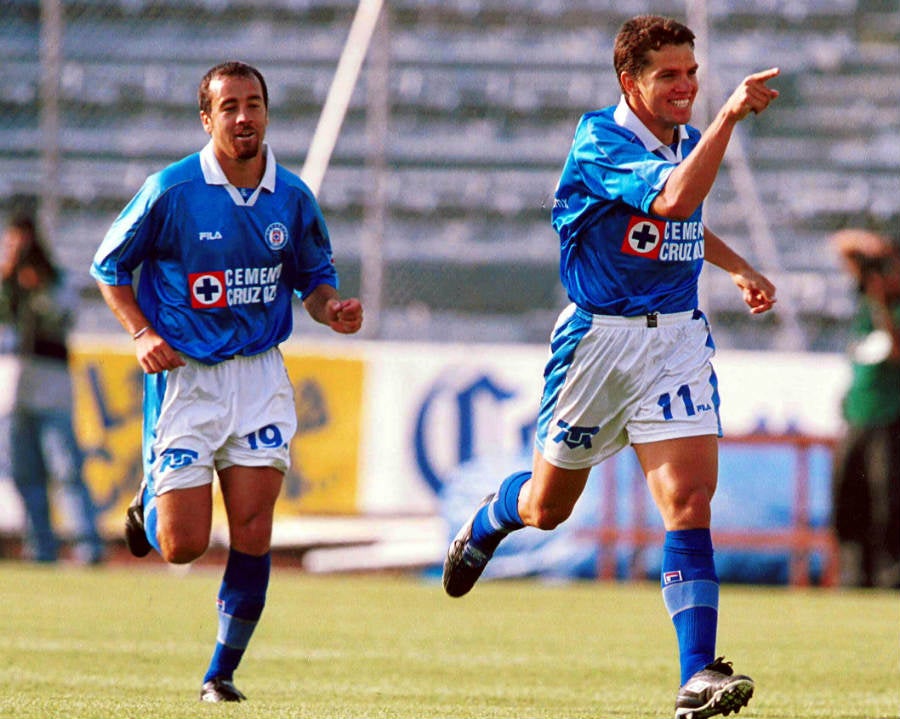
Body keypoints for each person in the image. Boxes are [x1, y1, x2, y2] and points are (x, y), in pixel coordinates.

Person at [442, 15, 779, 719]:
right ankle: (488, 521)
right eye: (670, 76)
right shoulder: (599, 141)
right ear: (631, 82)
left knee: (688, 501)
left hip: (677, 339)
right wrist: (727, 116)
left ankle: (696, 676)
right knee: (547, 508)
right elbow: (673, 199)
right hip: (597, 344)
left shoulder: (684, 141)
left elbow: (681, 222)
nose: (686, 86)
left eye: (692, 73)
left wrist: (737, 265)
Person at [90, 61, 363, 702]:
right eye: (230, 107)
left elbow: (313, 280)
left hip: (261, 377)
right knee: (182, 546)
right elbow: (109, 267)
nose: (244, 118)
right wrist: (141, 332)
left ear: (267, 112)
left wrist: (333, 310)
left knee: (253, 529)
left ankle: (221, 673)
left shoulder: (291, 197)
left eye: (255, 104)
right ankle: (147, 502)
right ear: (207, 118)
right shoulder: (172, 190)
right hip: (189, 379)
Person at [0, 213, 105, 565]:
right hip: (13, 387)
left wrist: (38, 285)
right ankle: (40, 544)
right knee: (24, 470)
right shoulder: (6, 282)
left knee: (65, 468)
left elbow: (61, 316)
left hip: (51, 386)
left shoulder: (55, 279)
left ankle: (87, 543)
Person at [830, 228, 900, 589]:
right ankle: (853, 577)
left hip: (891, 418)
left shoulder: (889, 306)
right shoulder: (866, 299)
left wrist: (881, 301)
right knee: (848, 499)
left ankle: (890, 579)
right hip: (858, 416)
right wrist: (875, 248)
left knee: (887, 502)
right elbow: (841, 244)